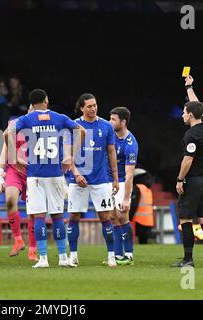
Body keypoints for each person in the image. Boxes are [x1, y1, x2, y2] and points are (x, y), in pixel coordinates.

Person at [6, 89, 85, 268]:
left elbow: (7, 132)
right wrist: (71, 156)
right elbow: (81, 131)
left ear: (32, 104)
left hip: (35, 176)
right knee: (57, 216)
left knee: (39, 216)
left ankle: (43, 259)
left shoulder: (26, 119)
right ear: (46, 100)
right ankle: (63, 258)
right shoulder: (59, 117)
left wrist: (14, 156)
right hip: (55, 174)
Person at [66, 93, 119, 267]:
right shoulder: (74, 126)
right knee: (74, 216)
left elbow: (111, 152)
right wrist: (76, 173)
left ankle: (111, 256)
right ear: (81, 108)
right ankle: (73, 255)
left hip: (101, 180)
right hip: (78, 180)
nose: (93, 108)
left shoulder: (106, 126)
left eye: (95, 105)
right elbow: (67, 155)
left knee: (105, 216)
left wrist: (115, 179)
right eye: (89, 106)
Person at [172, 74, 203, 268]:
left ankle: (188, 259)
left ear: (190, 115)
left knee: (185, 219)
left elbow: (187, 160)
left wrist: (180, 180)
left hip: (194, 181)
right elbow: (197, 105)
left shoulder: (191, 135)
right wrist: (189, 87)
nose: (182, 115)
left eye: (184, 112)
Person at [0, 105, 38, 261]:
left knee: (33, 211)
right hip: (15, 170)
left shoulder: (43, 126)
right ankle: (18, 240)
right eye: (31, 108)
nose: (33, 111)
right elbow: (5, 146)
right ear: (29, 109)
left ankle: (33, 250)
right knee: (10, 201)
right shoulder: (16, 123)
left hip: (34, 172)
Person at [109, 107, 138, 265]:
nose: (110, 122)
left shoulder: (130, 143)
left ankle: (129, 254)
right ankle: (118, 255)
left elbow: (129, 175)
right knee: (112, 217)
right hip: (108, 180)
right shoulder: (110, 135)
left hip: (121, 181)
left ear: (123, 122)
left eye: (113, 119)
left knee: (122, 216)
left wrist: (126, 199)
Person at [130, 168, 155, 244]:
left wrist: (129, 216)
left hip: (139, 221)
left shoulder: (138, 188)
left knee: (139, 243)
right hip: (148, 220)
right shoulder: (148, 189)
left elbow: (134, 204)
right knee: (144, 243)